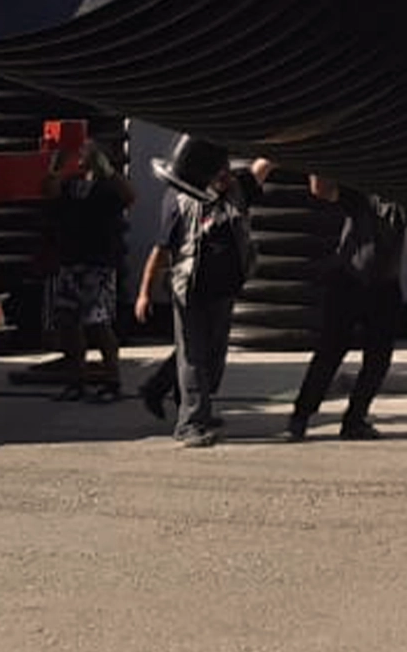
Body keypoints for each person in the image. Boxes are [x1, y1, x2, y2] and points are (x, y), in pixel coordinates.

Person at [135, 135, 273, 447]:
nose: (226, 177)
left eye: (227, 171)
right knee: (193, 356)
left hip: (223, 289)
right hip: (191, 289)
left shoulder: (237, 190)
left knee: (211, 355)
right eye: (219, 174)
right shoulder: (179, 201)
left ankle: (164, 391)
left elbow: (262, 168)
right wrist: (145, 292)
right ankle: (190, 424)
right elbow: (160, 251)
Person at [287, 177, 407, 441]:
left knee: (378, 359)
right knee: (330, 352)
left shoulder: (402, 200)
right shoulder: (360, 191)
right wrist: (316, 166)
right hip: (349, 280)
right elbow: (321, 190)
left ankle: (354, 419)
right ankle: (301, 416)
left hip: (384, 285)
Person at [48, 140, 133, 402]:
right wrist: (58, 165)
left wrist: (106, 170)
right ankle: (76, 381)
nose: (81, 157)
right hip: (71, 262)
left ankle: (112, 381)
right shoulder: (69, 186)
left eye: (85, 153)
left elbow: (129, 196)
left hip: (98, 264)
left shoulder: (106, 187)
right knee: (67, 322)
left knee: (97, 323)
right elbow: (50, 192)